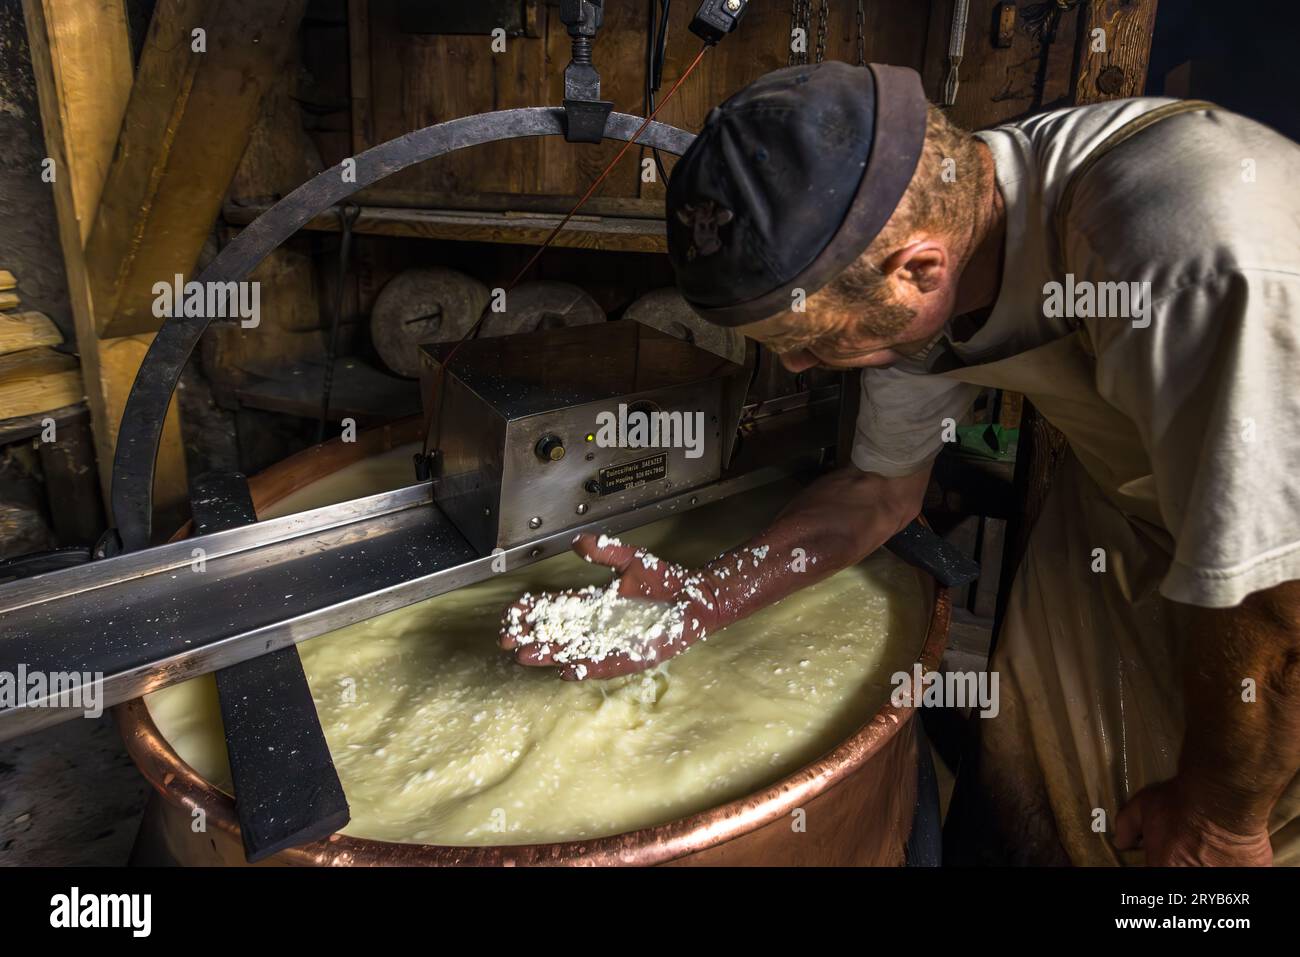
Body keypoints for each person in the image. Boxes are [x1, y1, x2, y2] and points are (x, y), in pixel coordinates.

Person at [499, 61, 1300, 866]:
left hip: (1280, 574)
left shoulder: (1196, 265)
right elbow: (881, 492)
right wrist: (700, 601)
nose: (807, 367)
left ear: (919, 269)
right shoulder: (925, 245)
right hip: (1127, 511)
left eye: (809, 341)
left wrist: (1221, 815)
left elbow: (1276, 600)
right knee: (1033, 806)